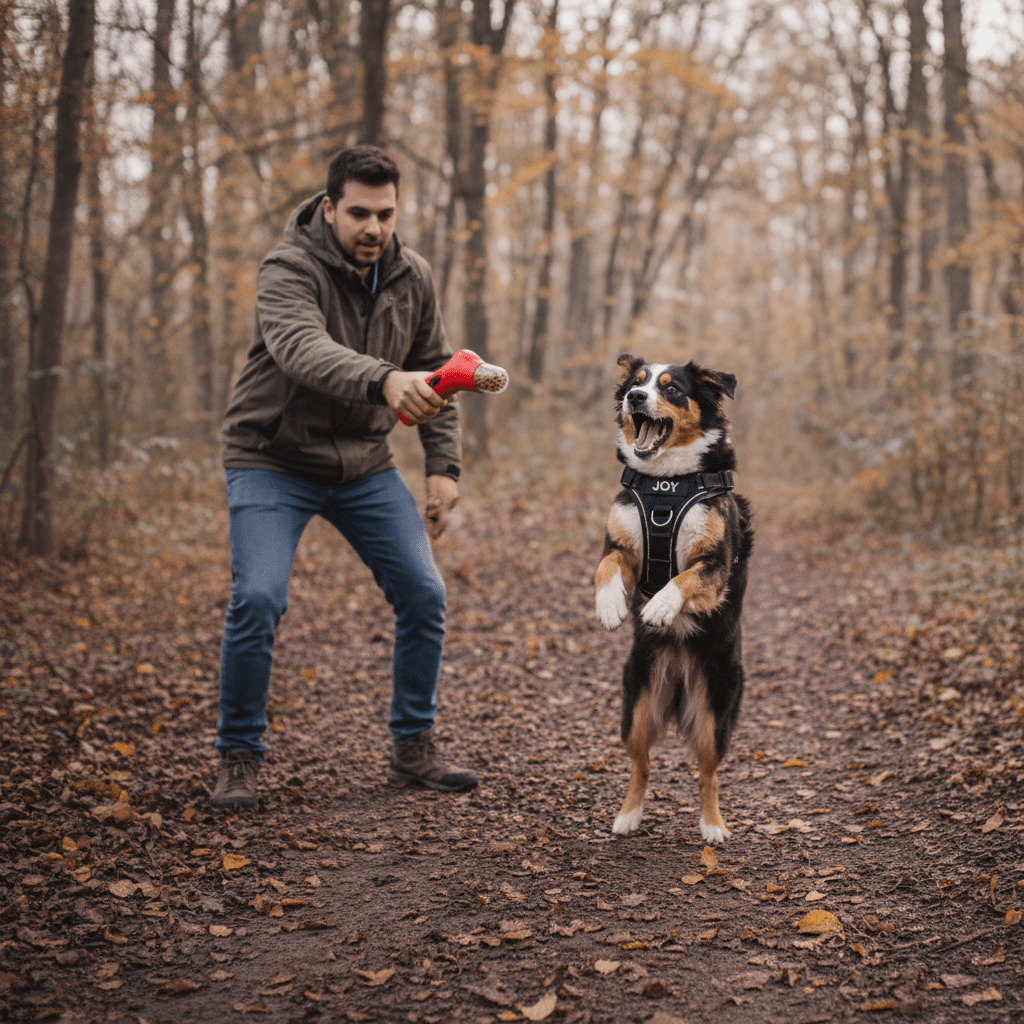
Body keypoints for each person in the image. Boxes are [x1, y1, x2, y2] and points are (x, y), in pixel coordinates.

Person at [211, 145, 477, 810]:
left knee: (424, 594)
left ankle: (413, 744)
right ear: (329, 208)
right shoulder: (287, 268)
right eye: (359, 212)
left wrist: (442, 467)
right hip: (271, 459)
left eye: (385, 214)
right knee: (259, 600)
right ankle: (239, 754)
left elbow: (436, 368)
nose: (373, 228)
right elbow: (302, 349)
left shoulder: (412, 275)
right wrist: (384, 380)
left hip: (362, 465)